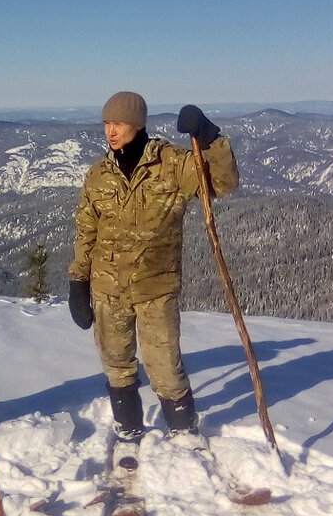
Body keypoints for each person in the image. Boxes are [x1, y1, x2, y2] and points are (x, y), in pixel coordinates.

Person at [67, 91, 239, 451]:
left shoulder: (172, 164)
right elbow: (87, 230)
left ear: (138, 123)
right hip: (107, 288)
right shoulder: (98, 174)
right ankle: (128, 429)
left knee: (163, 364)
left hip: (155, 286)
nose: (110, 131)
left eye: (119, 123)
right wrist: (78, 280)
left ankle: (183, 431)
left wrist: (210, 138)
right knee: (116, 363)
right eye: (106, 124)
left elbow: (220, 184)